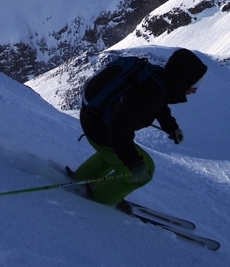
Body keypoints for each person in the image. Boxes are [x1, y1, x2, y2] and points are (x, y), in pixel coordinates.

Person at [70, 48, 207, 214]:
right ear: (183, 79)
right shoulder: (152, 95)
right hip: (100, 129)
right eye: (195, 84)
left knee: (115, 153)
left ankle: (82, 179)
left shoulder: (157, 77)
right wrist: (134, 164)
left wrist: (171, 127)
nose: (194, 90)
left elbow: (160, 105)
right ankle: (101, 200)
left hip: (92, 117)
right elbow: (119, 127)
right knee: (146, 169)